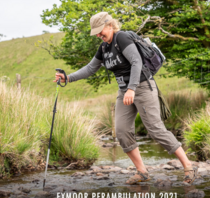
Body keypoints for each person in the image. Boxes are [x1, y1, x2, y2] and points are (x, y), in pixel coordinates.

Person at [54, 12, 197, 185]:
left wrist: (132, 89)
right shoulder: (104, 48)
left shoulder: (121, 38)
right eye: (96, 33)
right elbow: (91, 68)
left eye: (101, 31)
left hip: (142, 87)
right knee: (121, 131)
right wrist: (67, 78)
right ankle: (142, 171)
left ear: (110, 25)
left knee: (155, 129)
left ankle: (189, 166)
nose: (99, 35)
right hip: (124, 92)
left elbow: (136, 62)